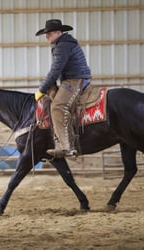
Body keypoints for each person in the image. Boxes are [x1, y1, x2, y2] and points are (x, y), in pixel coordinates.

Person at [35, 19, 92, 158]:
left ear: (58, 32)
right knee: (53, 95)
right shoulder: (63, 44)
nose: (47, 36)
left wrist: (42, 90)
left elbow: (55, 71)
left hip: (76, 79)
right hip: (72, 78)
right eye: (46, 34)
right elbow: (56, 71)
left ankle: (66, 147)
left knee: (57, 107)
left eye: (49, 33)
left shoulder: (62, 46)